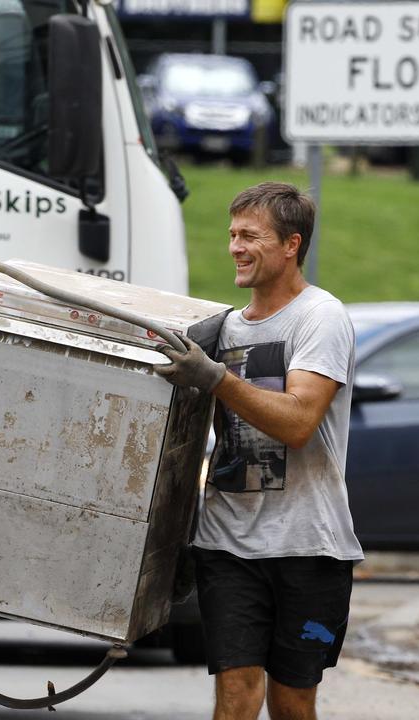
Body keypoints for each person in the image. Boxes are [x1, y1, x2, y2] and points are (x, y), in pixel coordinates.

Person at [154, 182, 363, 720]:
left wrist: (217, 378)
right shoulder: (221, 328)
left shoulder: (321, 317)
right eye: (232, 235)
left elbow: (298, 422)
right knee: (237, 690)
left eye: (251, 236)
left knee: (291, 702)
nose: (236, 248)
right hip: (228, 546)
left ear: (291, 244)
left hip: (310, 547)